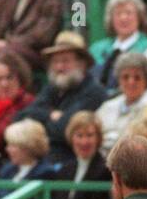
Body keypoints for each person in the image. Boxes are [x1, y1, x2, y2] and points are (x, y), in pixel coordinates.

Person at [16, 31, 109, 162]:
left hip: (72, 161)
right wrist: (50, 115)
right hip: (45, 160)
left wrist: (43, 122)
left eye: (65, 61)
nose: (59, 67)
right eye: (55, 62)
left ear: (81, 64)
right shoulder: (52, 88)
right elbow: (20, 117)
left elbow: (65, 130)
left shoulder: (93, 92)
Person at [88, 0, 147, 91]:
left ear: (139, 17)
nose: (123, 18)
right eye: (118, 14)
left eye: (128, 13)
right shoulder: (96, 48)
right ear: (111, 19)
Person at [96, 52, 147, 153]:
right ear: (118, 80)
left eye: (137, 77)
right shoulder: (108, 105)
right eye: (125, 77)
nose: (131, 82)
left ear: (146, 80)